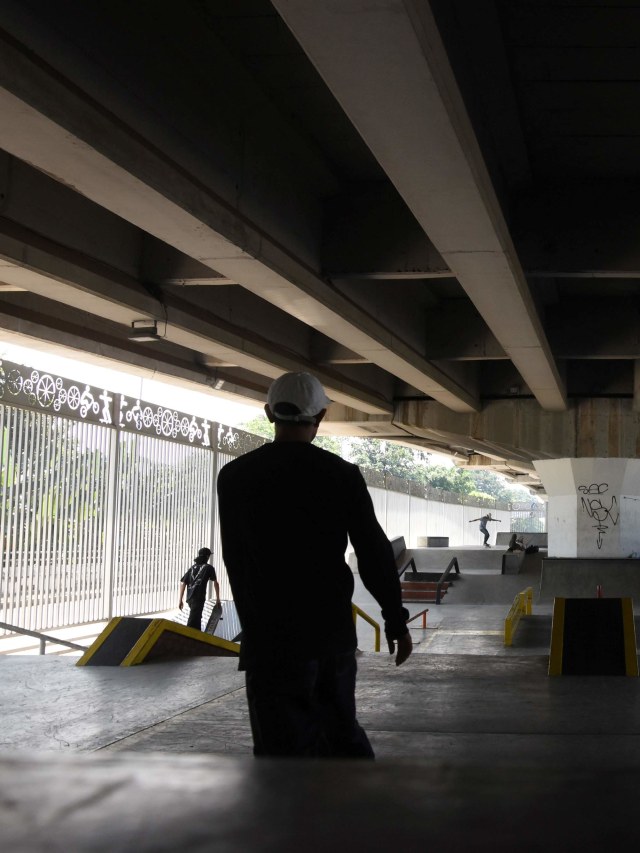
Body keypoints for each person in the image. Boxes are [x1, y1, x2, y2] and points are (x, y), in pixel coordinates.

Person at [216, 371, 412, 759]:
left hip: (268, 643)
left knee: (278, 755)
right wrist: (394, 620)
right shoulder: (340, 475)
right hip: (328, 636)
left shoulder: (234, 477)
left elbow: (234, 558)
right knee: (341, 742)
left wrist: (256, 628)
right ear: (319, 417)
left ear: (269, 413)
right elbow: (373, 553)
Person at [179, 547, 220, 631]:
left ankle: (196, 634)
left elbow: (183, 583)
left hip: (189, 598)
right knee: (193, 621)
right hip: (199, 597)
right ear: (207, 556)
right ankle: (189, 636)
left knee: (196, 617)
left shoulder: (192, 568)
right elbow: (216, 583)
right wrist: (218, 599)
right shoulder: (209, 568)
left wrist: (180, 599)